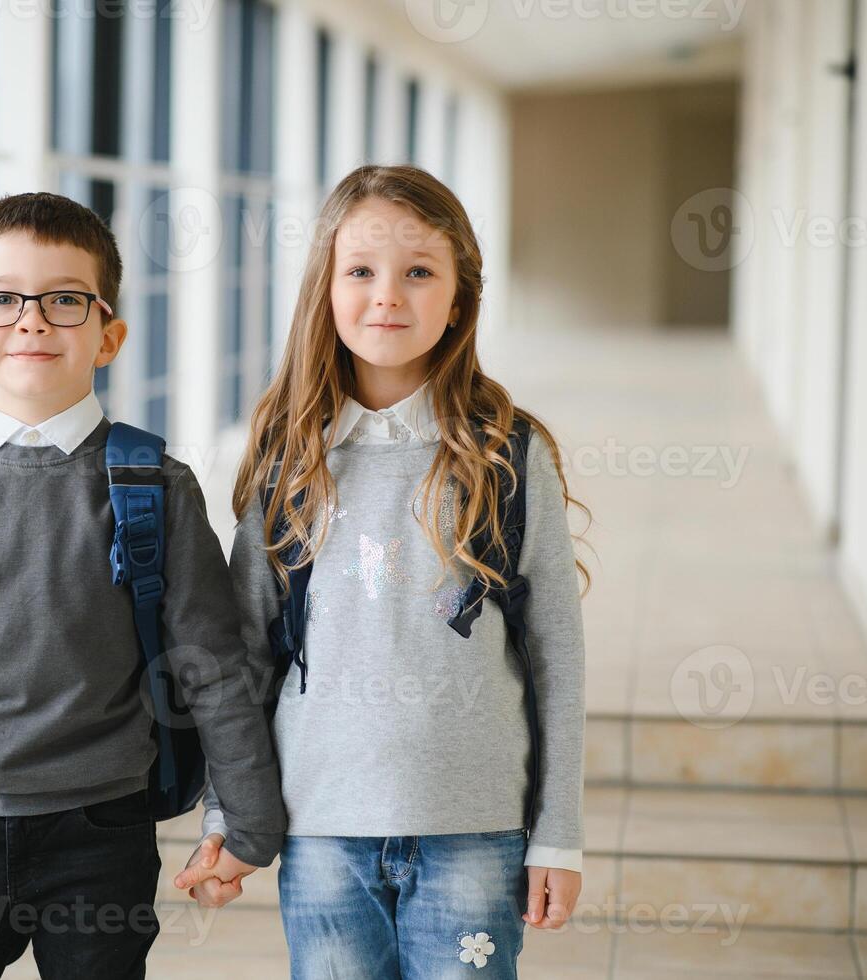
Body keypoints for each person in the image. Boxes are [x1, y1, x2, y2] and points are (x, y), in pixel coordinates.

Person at [0, 191, 285, 979]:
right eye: (2, 299)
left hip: (101, 832)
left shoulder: (154, 485)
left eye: (64, 300)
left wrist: (248, 820)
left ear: (109, 335)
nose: (30, 321)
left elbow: (210, 664)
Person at [175, 165, 591, 980]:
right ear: (325, 289)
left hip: (474, 829)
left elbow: (556, 656)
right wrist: (230, 815)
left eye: (419, 272)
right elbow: (244, 653)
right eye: (360, 270)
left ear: (460, 296)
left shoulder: (510, 454)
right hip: (322, 826)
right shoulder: (285, 457)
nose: (386, 296)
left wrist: (557, 834)